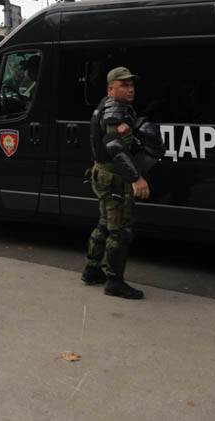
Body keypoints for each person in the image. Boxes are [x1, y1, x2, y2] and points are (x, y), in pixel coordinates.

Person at [82, 66, 151, 300]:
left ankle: (92, 269)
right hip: (114, 178)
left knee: (105, 223)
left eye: (131, 84)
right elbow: (114, 146)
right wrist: (136, 178)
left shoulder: (109, 105)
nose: (130, 89)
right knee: (119, 231)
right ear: (111, 88)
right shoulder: (114, 111)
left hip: (102, 174)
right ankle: (114, 281)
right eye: (124, 85)